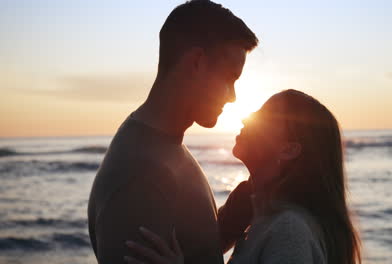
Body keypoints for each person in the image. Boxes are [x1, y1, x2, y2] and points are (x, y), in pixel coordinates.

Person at [87, 1, 258, 263]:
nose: (233, 97)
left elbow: (196, 250)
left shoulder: (165, 146)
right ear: (197, 63)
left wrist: (238, 212)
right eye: (230, 78)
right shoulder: (140, 175)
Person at [124, 90, 362, 264]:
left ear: (289, 150)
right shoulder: (259, 215)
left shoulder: (289, 231)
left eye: (265, 116)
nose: (246, 118)